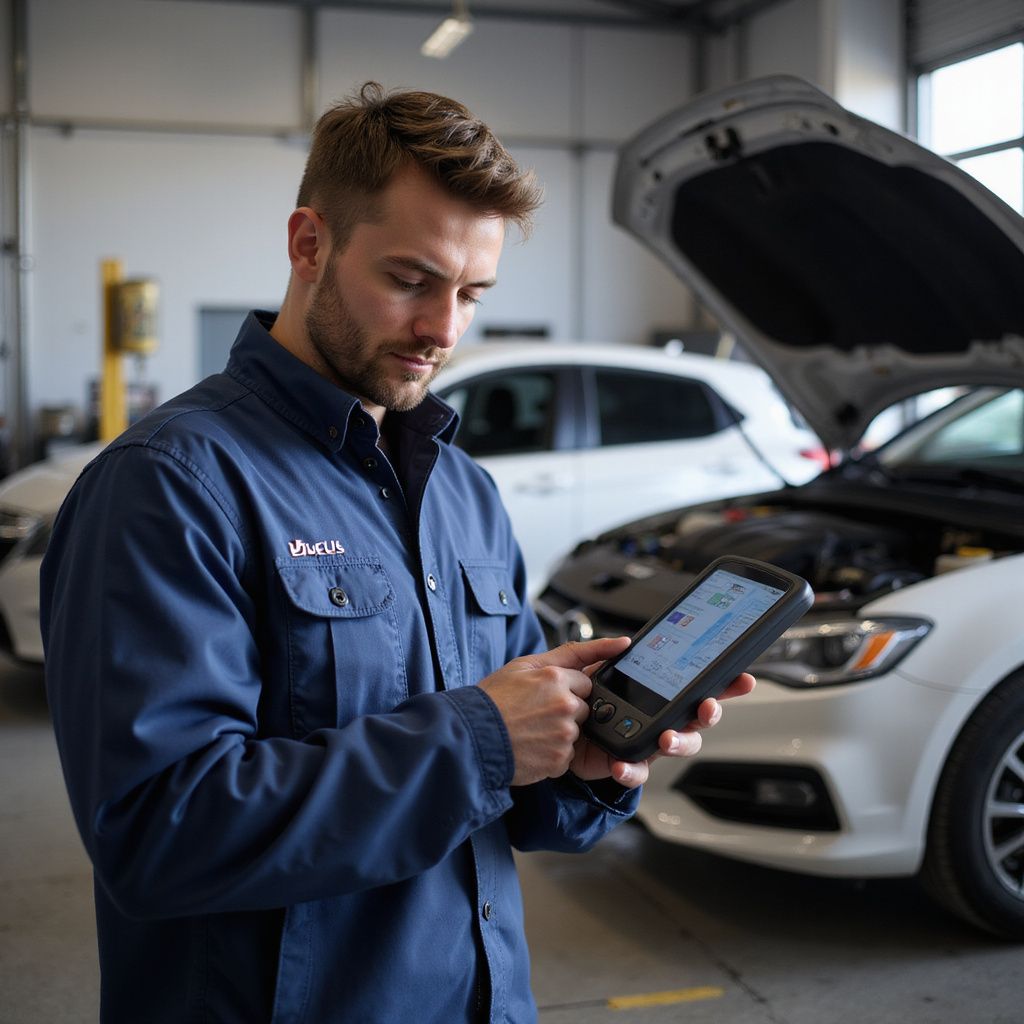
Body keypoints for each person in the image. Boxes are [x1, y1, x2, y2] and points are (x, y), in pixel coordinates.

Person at [40, 82, 754, 1023]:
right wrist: (480, 736)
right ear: (309, 244)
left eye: (472, 294)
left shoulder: (464, 490)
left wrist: (592, 763)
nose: (443, 329)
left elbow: (515, 796)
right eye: (411, 280)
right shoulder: (170, 485)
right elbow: (159, 835)